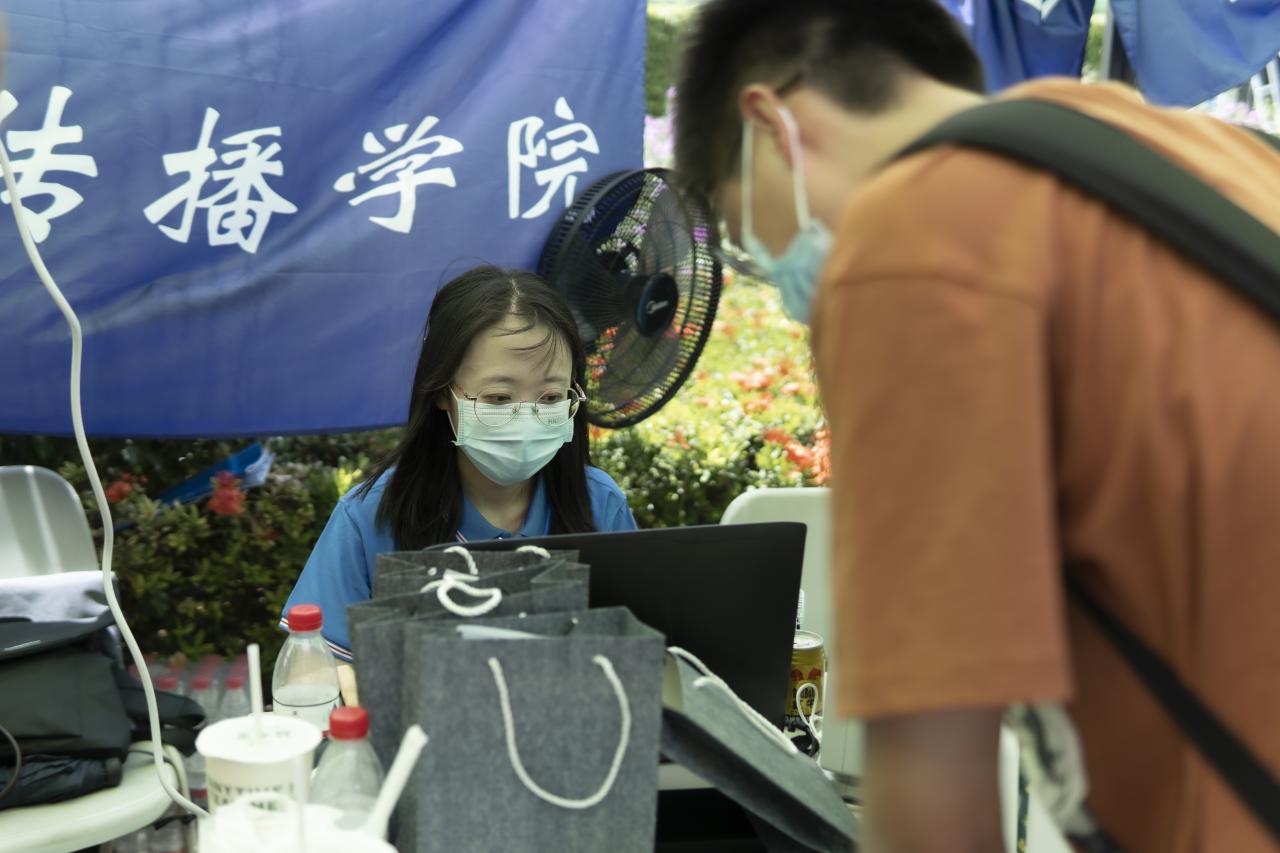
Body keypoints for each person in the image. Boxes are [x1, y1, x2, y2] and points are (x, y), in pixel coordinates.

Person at [674, 2, 1280, 852]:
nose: (783, 286)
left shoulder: (912, 242)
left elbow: (932, 770)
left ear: (771, 124)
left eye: (751, 239)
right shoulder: (1202, 157)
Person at [282, 266, 636, 677]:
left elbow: (640, 654)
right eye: (499, 398)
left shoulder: (600, 504)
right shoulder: (369, 517)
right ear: (442, 393)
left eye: (551, 397)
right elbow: (310, 671)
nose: (526, 417)